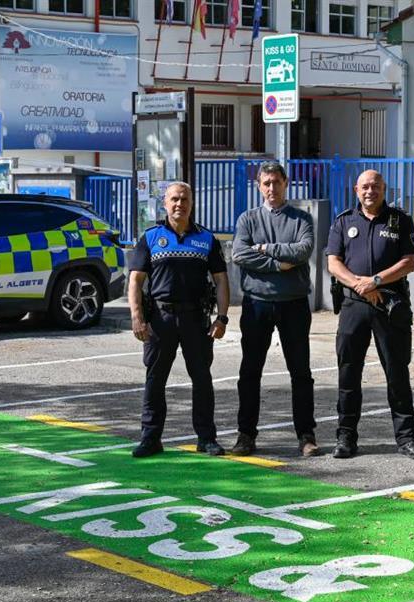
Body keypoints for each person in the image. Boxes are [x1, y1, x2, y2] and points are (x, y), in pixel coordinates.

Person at [325, 170, 414, 461]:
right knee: (348, 374)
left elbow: (409, 262)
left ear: (384, 189)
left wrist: (376, 281)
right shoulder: (343, 221)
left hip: (389, 306)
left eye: (377, 187)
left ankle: (407, 439)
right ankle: (345, 438)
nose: (371, 191)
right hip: (353, 307)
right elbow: (334, 264)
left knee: (397, 373)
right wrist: (360, 284)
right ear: (356, 189)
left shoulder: (400, 220)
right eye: (365, 187)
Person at [127, 182, 230, 458]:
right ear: (165, 203)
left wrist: (222, 318)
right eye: (174, 199)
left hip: (196, 319)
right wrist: (137, 316)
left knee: (202, 379)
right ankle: (150, 438)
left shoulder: (206, 239)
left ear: (192, 203)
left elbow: (221, 280)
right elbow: (135, 280)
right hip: (159, 318)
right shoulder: (150, 237)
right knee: (155, 379)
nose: (179, 204)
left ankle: (206, 438)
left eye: (184, 199)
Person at [230, 162, 319, 457]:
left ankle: (306, 436)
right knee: (250, 371)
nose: (272, 188)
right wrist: (279, 264)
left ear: (286, 183)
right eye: (266, 183)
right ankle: (246, 435)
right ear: (258, 185)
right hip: (257, 304)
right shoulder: (248, 219)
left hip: (294, 304)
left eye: (276, 183)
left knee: (301, 372)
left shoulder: (301, 218)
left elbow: (303, 250)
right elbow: (239, 254)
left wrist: (265, 249)